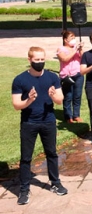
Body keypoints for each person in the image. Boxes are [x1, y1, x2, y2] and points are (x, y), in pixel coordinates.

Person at [12, 46, 68, 205]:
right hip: (29, 122)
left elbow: (60, 99)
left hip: (48, 121)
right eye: (37, 60)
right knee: (26, 157)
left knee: (51, 153)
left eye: (42, 59)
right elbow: (16, 105)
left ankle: (55, 183)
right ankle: (24, 189)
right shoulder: (20, 80)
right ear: (29, 60)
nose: (40, 62)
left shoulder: (52, 77)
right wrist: (29, 100)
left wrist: (53, 96)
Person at [57, 30, 83, 123]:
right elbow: (64, 59)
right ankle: (68, 116)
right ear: (65, 40)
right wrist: (74, 50)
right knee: (68, 96)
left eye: (74, 37)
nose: (73, 39)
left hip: (78, 74)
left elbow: (83, 59)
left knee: (77, 96)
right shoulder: (61, 49)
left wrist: (80, 49)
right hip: (66, 76)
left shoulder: (76, 48)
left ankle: (76, 115)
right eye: (71, 38)